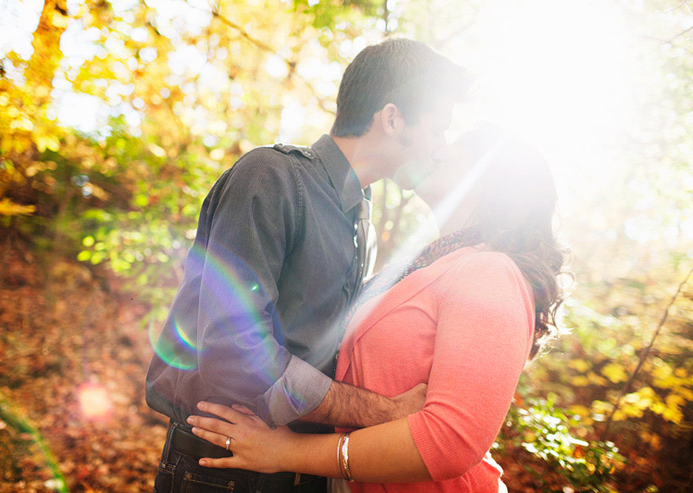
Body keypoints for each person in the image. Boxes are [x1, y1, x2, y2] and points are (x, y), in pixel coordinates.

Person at [145, 37, 472, 493]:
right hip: (222, 471)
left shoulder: (362, 220)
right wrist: (385, 413)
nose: (441, 148)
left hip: (303, 471)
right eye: (438, 129)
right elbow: (234, 351)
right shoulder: (271, 176)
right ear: (393, 118)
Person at [184, 125, 566, 492]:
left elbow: (450, 441)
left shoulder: (491, 271)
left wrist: (287, 452)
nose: (436, 150)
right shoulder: (422, 266)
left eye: (451, 147)